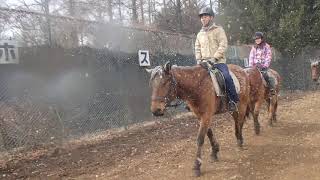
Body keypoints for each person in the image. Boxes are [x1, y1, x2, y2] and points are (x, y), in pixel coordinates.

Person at [195, 7, 239, 112]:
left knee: (226, 77)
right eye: (201, 17)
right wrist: (199, 60)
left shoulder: (218, 30)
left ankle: (233, 100)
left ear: (211, 17)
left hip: (218, 62)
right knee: (194, 79)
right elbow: (197, 48)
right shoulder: (199, 34)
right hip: (204, 63)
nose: (203, 19)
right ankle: (194, 102)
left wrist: (214, 58)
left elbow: (223, 45)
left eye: (205, 16)